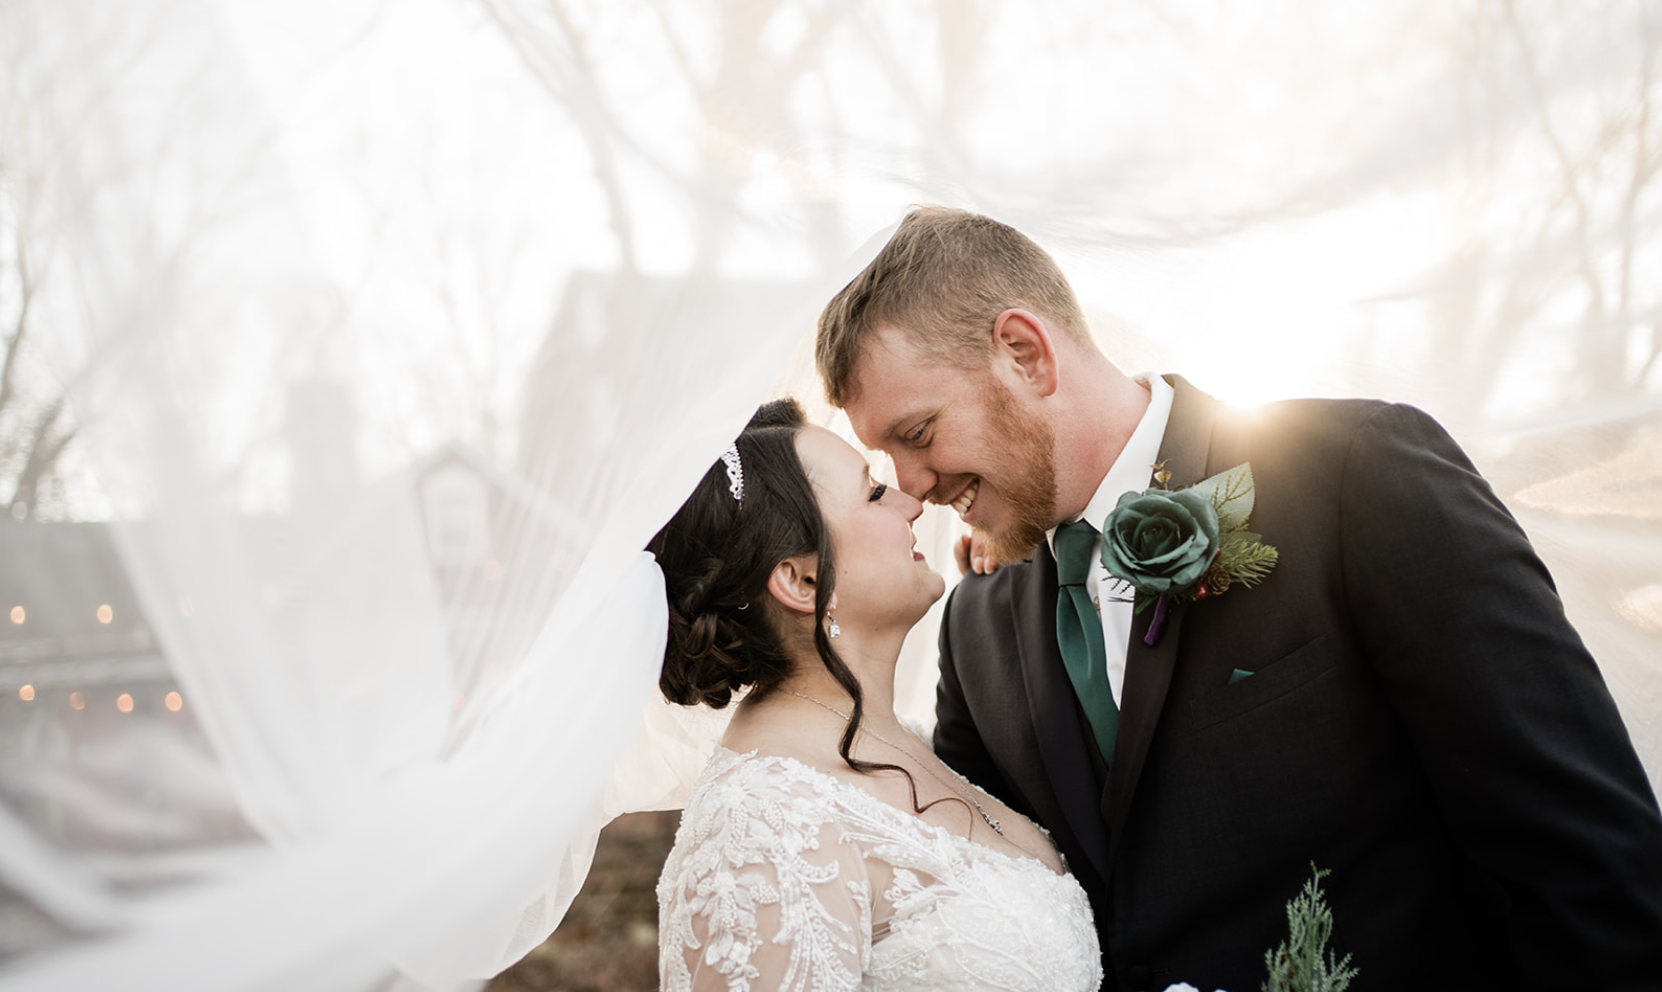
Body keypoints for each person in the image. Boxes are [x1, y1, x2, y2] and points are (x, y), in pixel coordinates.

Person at [814, 206, 1662, 992]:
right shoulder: (977, 628)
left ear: (1026, 353)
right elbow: (976, 893)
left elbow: (1583, 858)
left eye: (917, 435)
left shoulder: (1352, 475)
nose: (913, 486)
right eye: (886, 458)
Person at [648, 398, 1102, 992]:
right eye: (873, 494)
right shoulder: (763, 823)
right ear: (801, 580)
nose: (913, 503)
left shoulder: (902, 740)